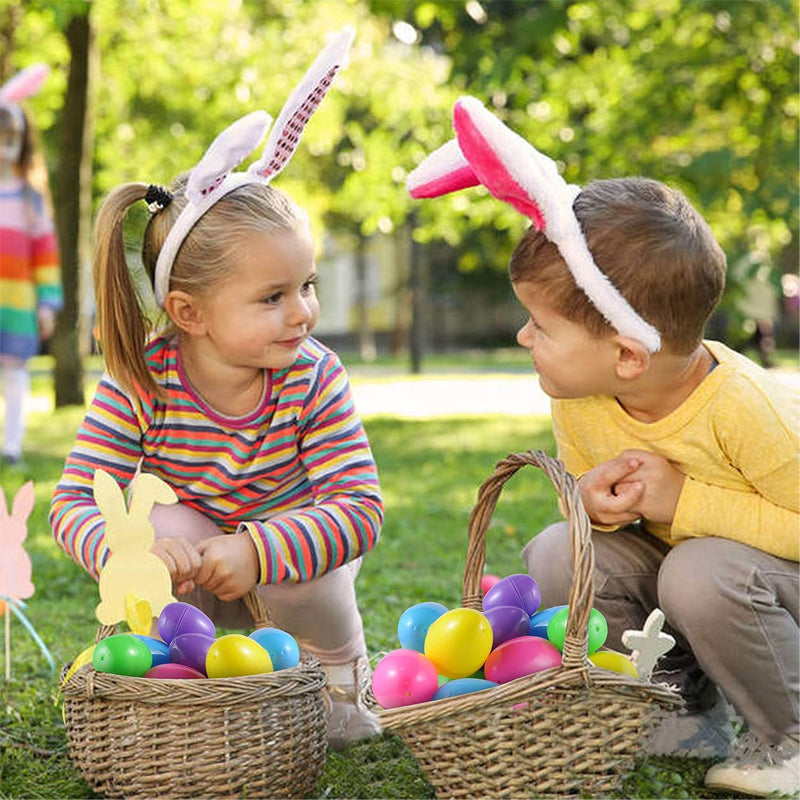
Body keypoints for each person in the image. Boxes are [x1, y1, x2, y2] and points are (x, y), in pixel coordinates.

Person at [407, 96, 799, 797]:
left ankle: (790, 736)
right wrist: (593, 505)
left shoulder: (752, 410)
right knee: (559, 547)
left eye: (540, 326)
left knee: (698, 572)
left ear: (625, 355)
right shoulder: (581, 398)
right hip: (698, 582)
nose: (524, 338)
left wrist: (686, 501)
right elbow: (603, 518)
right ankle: (676, 709)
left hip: (771, 593)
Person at [50, 29, 385, 749]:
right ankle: (199, 690)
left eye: (307, 286)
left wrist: (260, 551)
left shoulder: (313, 375)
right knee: (158, 529)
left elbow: (358, 509)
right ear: (188, 315)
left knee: (305, 577)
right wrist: (122, 551)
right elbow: (75, 501)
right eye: (272, 296)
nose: (302, 311)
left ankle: (337, 680)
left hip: (292, 561)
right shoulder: (142, 378)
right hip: (199, 561)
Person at [0, 64, 62, 467]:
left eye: (11, 141)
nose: (4, 148)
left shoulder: (29, 198)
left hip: (18, 302)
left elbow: (45, 254)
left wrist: (47, 303)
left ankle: (12, 447)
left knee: (15, 374)